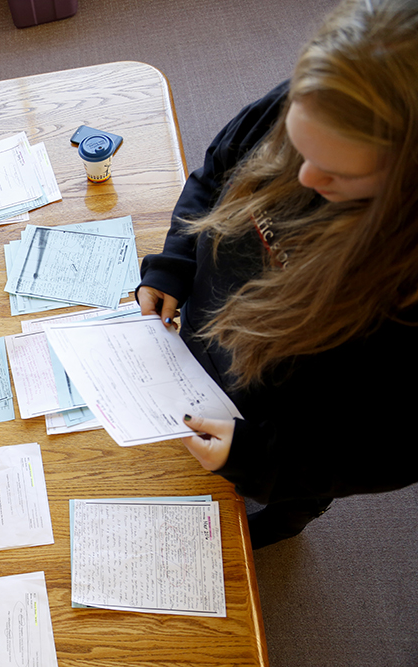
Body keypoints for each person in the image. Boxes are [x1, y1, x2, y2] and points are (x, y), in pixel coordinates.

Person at [137, 0, 418, 548]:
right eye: (296, 144)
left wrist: (260, 462)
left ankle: (280, 527)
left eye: (336, 172)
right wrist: (175, 263)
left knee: (281, 506)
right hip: (207, 339)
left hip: (294, 429)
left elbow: (390, 447)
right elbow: (217, 171)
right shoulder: (314, 99)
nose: (305, 175)